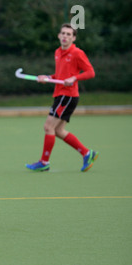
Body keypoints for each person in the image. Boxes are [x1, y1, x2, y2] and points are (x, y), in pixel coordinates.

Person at [26, 23, 98, 172]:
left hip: (68, 95)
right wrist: (46, 77)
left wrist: (75, 78)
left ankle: (44, 162)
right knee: (58, 131)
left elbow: (91, 72)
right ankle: (86, 153)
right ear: (59, 35)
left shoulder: (77, 53)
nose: (65, 36)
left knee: (48, 127)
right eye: (63, 33)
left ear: (73, 38)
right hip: (61, 94)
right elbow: (59, 76)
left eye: (69, 34)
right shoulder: (58, 52)